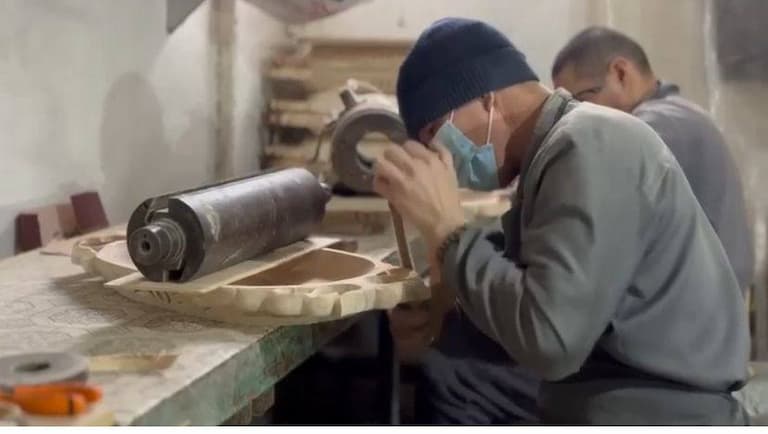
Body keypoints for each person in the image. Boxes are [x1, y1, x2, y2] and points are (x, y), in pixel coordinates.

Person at [375, 17, 750, 425]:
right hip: (622, 398)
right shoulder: (553, 157)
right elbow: (542, 291)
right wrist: (449, 310)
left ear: (485, 98)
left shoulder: (590, 140)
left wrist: (449, 234)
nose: (440, 155)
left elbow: (552, 341)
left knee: (454, 381)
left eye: (435, 132)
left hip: (656, 410)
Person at [551, 26, 754, 293]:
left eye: (579, 101)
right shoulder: (676, 115)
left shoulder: (657, 126)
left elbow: (593, 214)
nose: (574, 117)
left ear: (620, 74)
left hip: (696, 305)